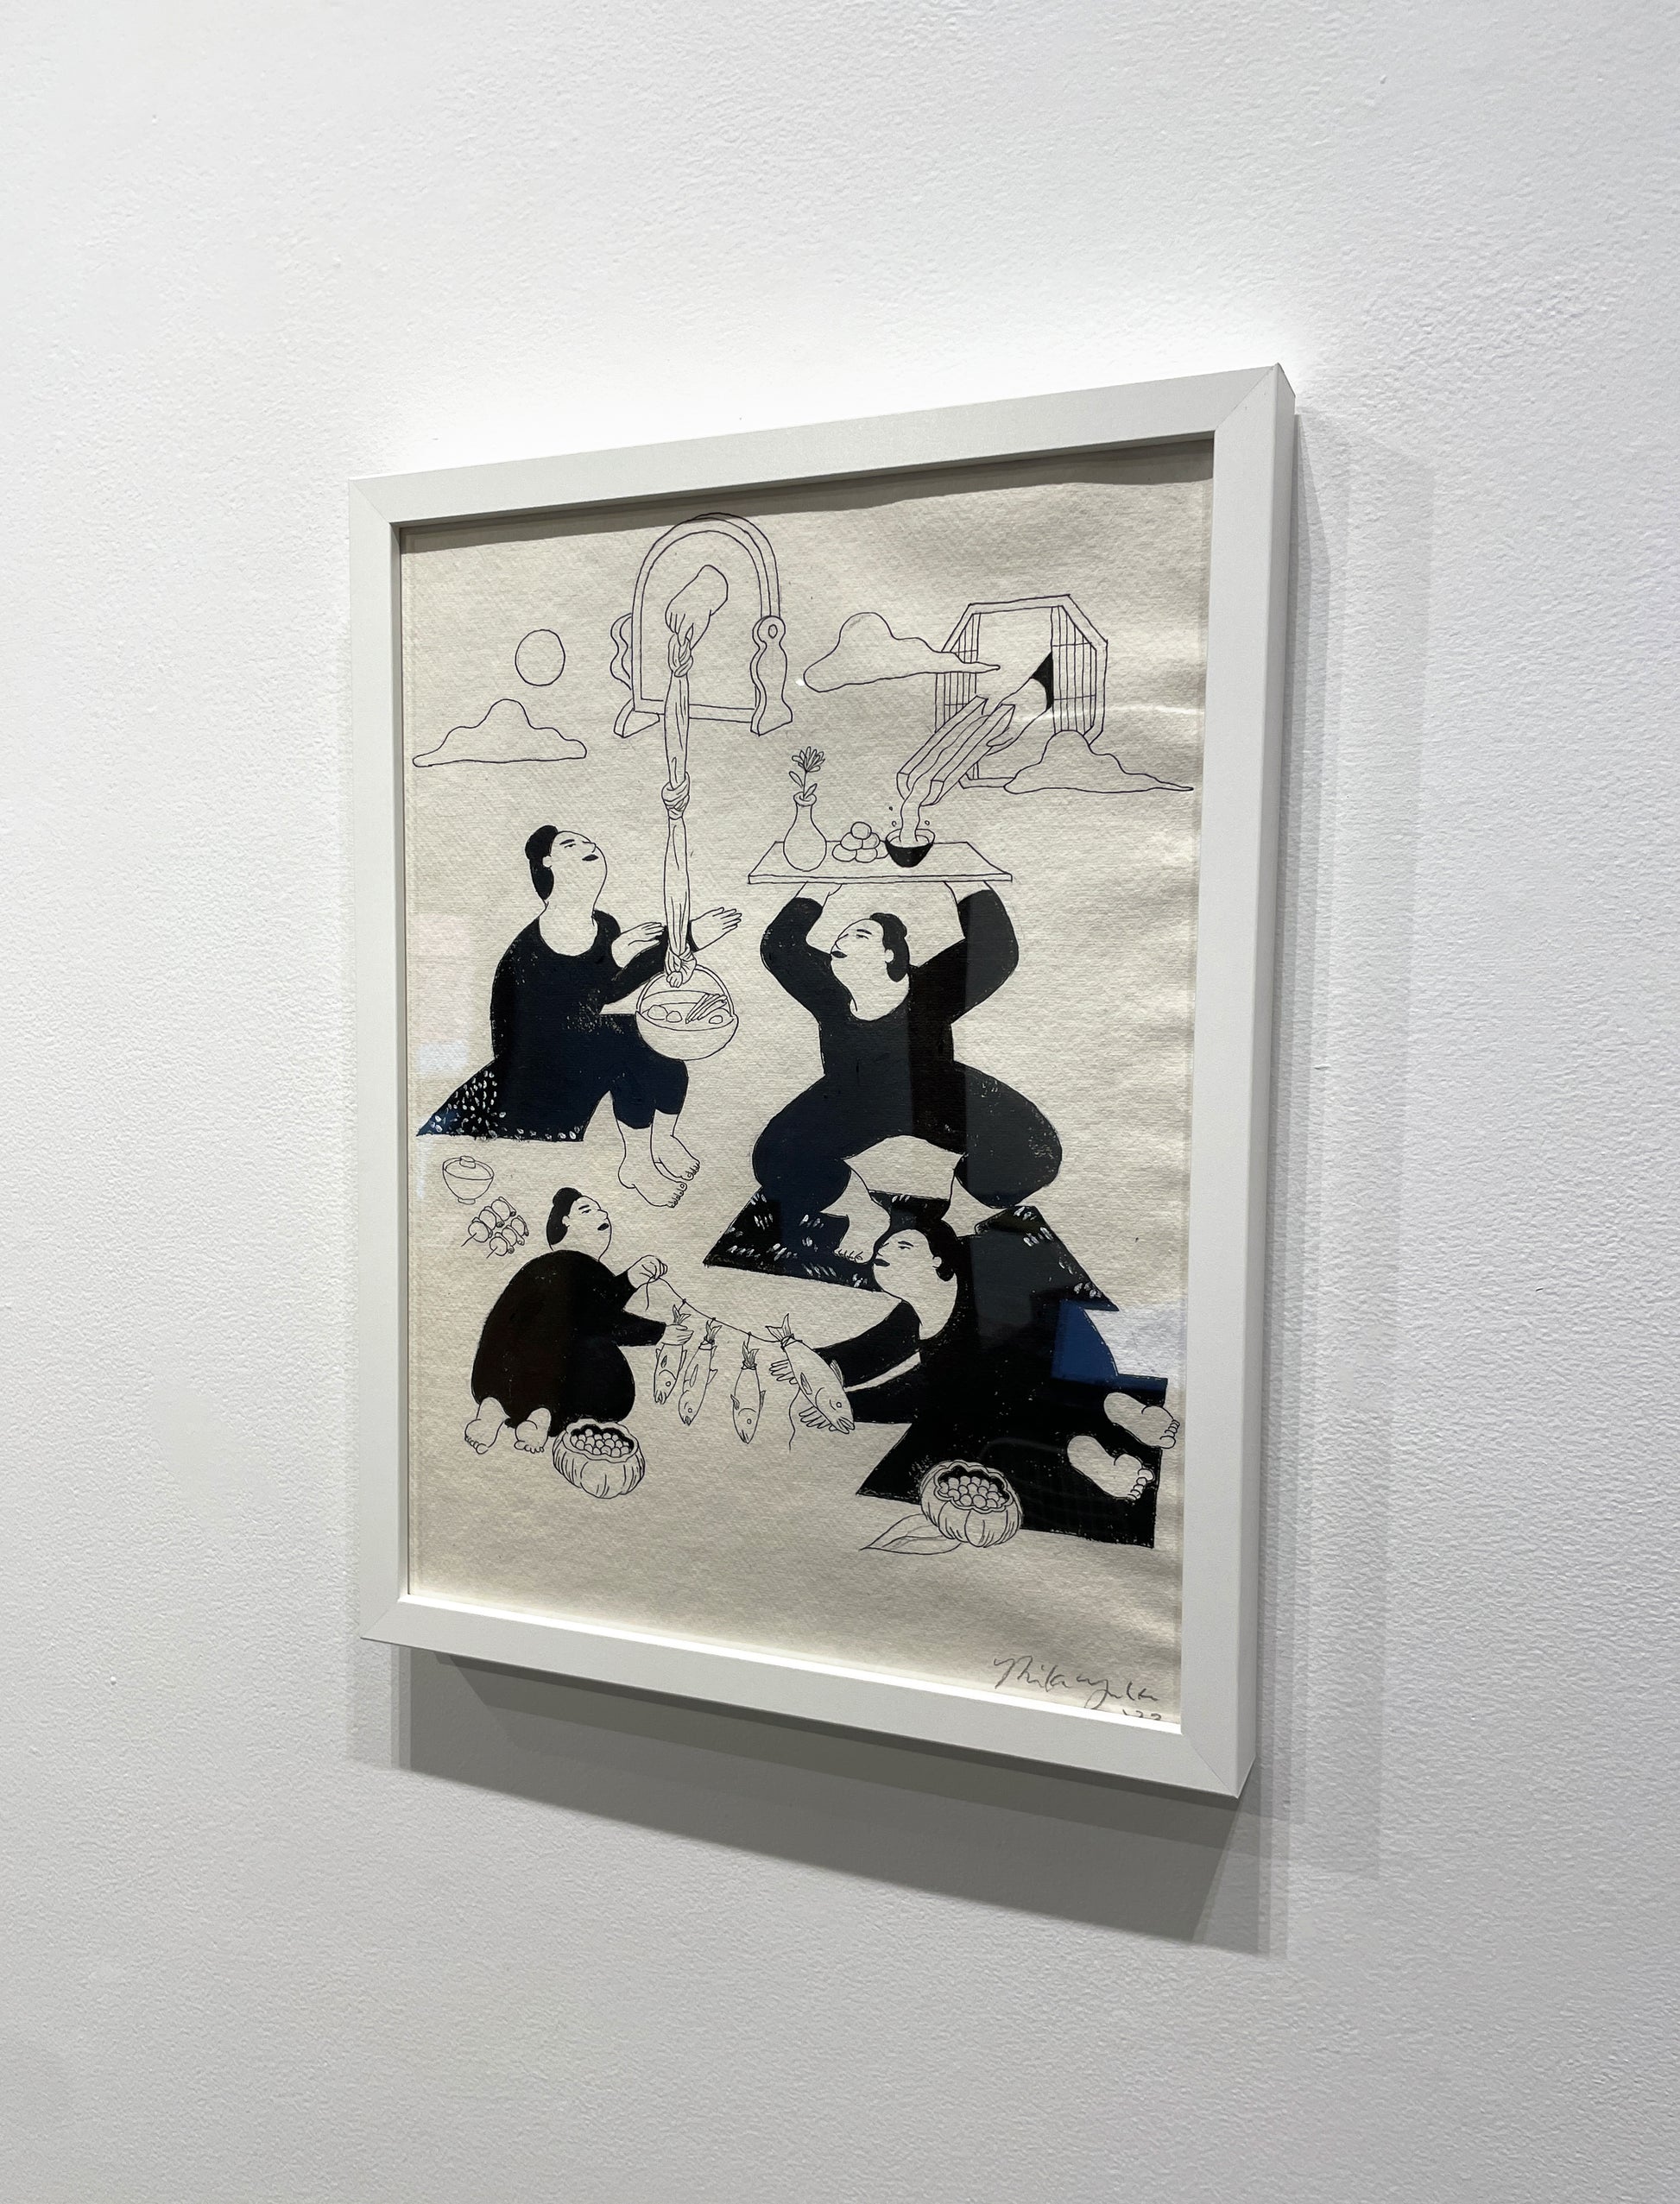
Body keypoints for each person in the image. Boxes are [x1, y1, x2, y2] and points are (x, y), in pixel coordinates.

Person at [420, 826, 739, 1207]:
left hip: (575, 1041)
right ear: (548, 864)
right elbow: (556, 1019)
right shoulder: (528, 950)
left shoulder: (603, 925)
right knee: (625, 1051)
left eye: (589, 842)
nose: (590, 846)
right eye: (571, 844)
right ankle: (637, 1162)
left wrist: (682, 941)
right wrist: (626, 954)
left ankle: (662, 1139)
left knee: (656, 1042)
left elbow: (606, 993)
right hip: (534, 1073)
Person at [809, 1217, 1164, 1545]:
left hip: (1036, 1394)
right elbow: (873, 1351)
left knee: (906, 1476)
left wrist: (848, 1405)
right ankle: (1102, 1435)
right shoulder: (923, 1303)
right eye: (884, 1244)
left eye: (903, 1246)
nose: (883, 1249)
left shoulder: (983, 1293)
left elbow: (926, 1392)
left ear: (937, 1261)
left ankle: (1097, 1444)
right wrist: (809, 1363)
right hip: (998, 1393)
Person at [755, 882, 1061, 1259]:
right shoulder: (827, 989)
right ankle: (862, 1214)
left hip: (932, 1093)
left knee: (1035, 1148)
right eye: (842, 934)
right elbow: (779, 947)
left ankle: (960, 1215)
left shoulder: (929, 987)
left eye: (860, 934)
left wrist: (966, 882)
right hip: (851, 1097)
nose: (842, 939)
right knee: (775, 1156)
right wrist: (818, 888)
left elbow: (996, 949)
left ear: (888, 954)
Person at [464, 1188, 671, 1455]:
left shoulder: (540, 1268)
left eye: (600, 1208)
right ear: (566, 1223)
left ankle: (494, 1409)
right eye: (587, 1210)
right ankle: (542, 1417)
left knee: (528, 1372)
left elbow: (592, 1306)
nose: (602, 1213)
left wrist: (631, 1279)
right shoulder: (579, 1265)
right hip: (553, 1379)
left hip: (502, 1375)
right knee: (598, 1365)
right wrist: (659, 1332)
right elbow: (601, 1319)